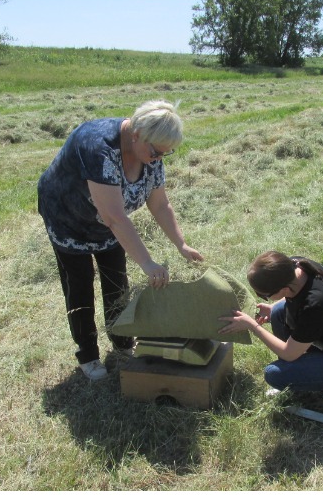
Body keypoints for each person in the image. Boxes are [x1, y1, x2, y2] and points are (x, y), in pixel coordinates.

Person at [37, 100, 204, 381]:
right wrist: (148, 262)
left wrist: (181, 244)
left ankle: (123, 342)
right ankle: (88, 355)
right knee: (79, 284)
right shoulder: (97, 146)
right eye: (156, 151)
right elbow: (114, 217)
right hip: (69, 217)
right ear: (136, 133)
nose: (159, 158)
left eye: (167, 153)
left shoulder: (151, 154)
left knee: (116, 281)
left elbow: (160, 205)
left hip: (108, 223)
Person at [219, 251, 323, 407]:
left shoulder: (316, 304)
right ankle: (304, 373)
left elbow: (288, 354)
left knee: (274, 374)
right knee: (277, 313)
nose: (262, 297)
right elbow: (295, 300)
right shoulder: (296, 265)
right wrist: (272, 306)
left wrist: (252, 326)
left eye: (264, 295)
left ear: (284, 289)